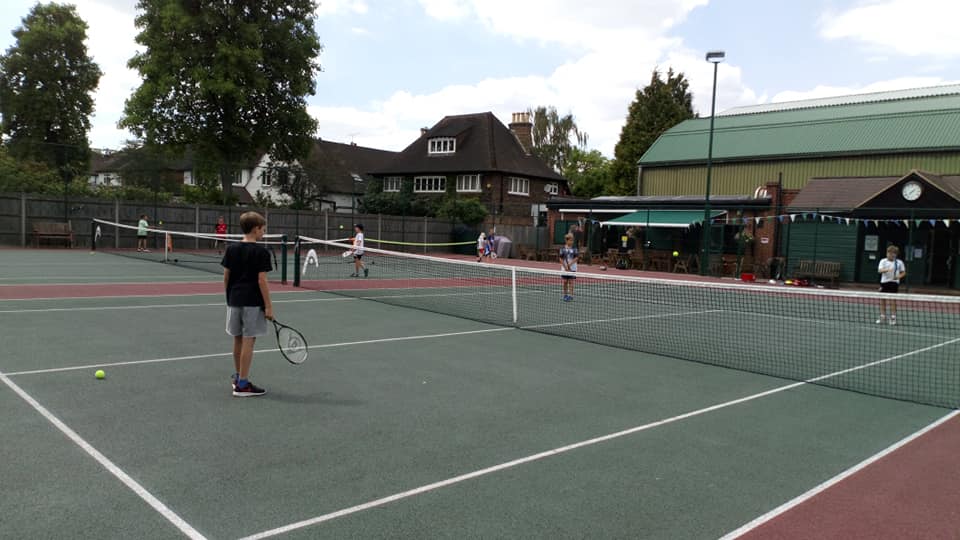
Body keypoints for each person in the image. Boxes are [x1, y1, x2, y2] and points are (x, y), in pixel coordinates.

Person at [221, 211, 274, 397]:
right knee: (249, 341)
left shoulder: (231, 249)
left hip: (234, 301)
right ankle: (243, 384)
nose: (264, 233)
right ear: (255, 229)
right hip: (252, 302)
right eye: (263, 229)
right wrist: (268, 306)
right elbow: (262, 281)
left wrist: (230, 297)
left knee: (237, 339)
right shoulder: (262, 252)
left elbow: (226, 276)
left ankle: (238, 378)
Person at [877, 245, 906, 325]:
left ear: (896, 254)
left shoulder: (899, 262)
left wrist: (898, 277)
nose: (891, 255)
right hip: (884, 283)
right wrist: (886, 270)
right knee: (882, 300)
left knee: (892, 300)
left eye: (893, 253)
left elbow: (903, 272)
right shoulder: (883, 261)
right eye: (889, 253)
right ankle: (882, 316)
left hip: (894, 283)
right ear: (887, 253)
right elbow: (879, 270)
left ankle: (893, 318)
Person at [559, 232, 579, 302]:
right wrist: (565, 267)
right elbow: (560, 259)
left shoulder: (574, 248)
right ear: (566, 240)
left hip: (572, 268)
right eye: (570, 240)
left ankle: (571, 296)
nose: (571, 241)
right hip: (564, 269)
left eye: (572, 240)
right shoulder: (563, 249)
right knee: (565, 281)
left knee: (571, 281)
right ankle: (565, 295)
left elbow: (576, 258)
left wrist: (569, 265)